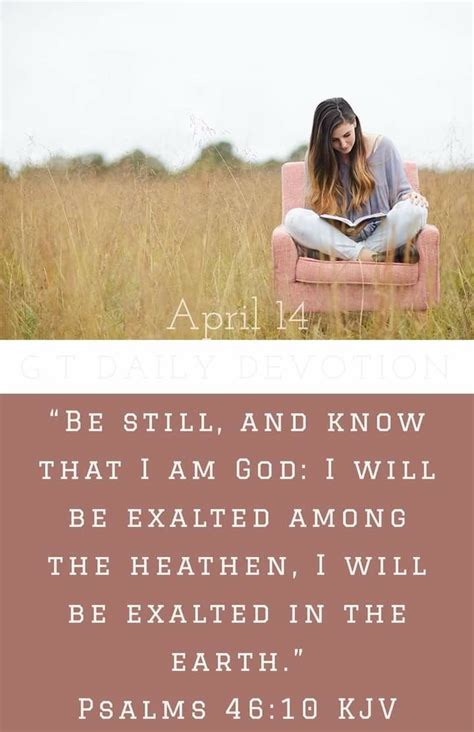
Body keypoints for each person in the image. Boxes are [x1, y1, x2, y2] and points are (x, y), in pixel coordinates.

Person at [284, 97, 429, 262]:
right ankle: (370, 256)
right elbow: (313, 211)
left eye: (347, 135)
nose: (344, 144)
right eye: (334, 140)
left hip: (380, 234)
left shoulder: (384, 147)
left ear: (355, 123)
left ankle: (351, 254)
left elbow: (402, 193)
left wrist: (412, 197)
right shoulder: (315, 157)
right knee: (293, 218)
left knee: (417, 210)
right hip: (339, 236)